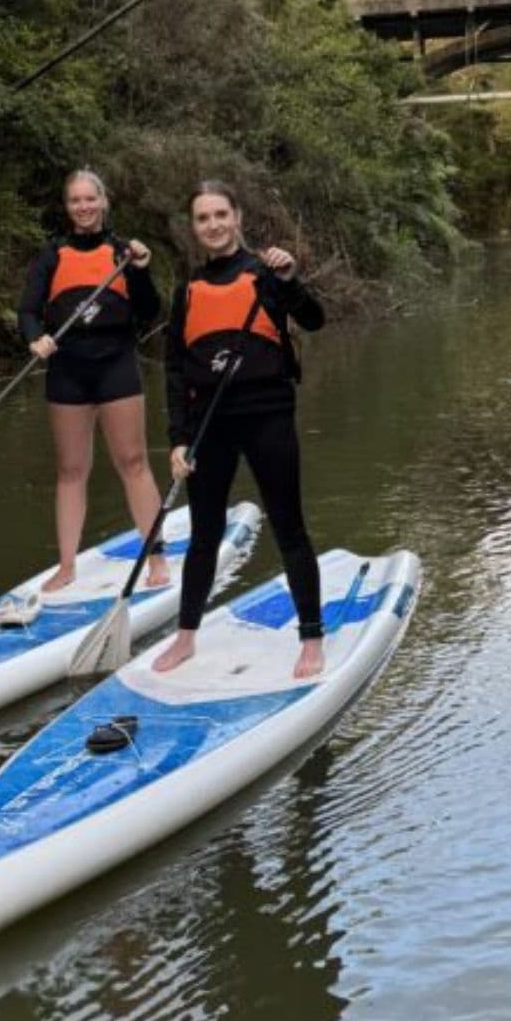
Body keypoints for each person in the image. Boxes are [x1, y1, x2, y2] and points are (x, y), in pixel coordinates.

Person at [0, 169, 167, 629]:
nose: (84, 207)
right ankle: (67, 566)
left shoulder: (123, 253)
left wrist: (141, 269)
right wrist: (34, 338)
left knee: (133, 462)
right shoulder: (52, 256)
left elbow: (149, 311)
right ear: (67, 207)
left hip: (116, 365)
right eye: (75, 200)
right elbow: (28, 310)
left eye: (90, 199)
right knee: (70, 470)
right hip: (68, 371)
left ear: (103, 202)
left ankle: (156, 558)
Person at [154, 180, 327, 678]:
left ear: (237, 218)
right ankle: (186, 637)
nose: (213, 225)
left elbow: (314, 319)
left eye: (220, 215)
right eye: (203, 218)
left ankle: (311, 637)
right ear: (194, 227)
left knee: (288, 526)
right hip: (210, 424)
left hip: (268, 415)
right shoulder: (187, 291)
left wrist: (290, 279)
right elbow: (175, 369)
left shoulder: (267, 274)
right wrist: (179, 438)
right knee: (204, 534)